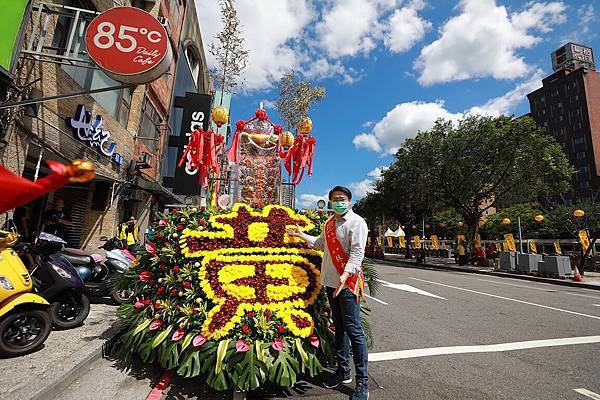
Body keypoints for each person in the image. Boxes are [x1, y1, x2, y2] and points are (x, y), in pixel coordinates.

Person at [288, 186, 369, 400]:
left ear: (350, 201)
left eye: (342, 199)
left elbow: (357, 253)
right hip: (332, 283)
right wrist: (299, 234)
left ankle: (363, 383)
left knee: (354, 330)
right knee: (340, 328)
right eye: (335, 199)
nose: (338, 202)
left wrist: (346, 274)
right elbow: (319, 244)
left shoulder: (357, 222)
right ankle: (343, 372)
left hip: (348, 284)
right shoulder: (329, 223)